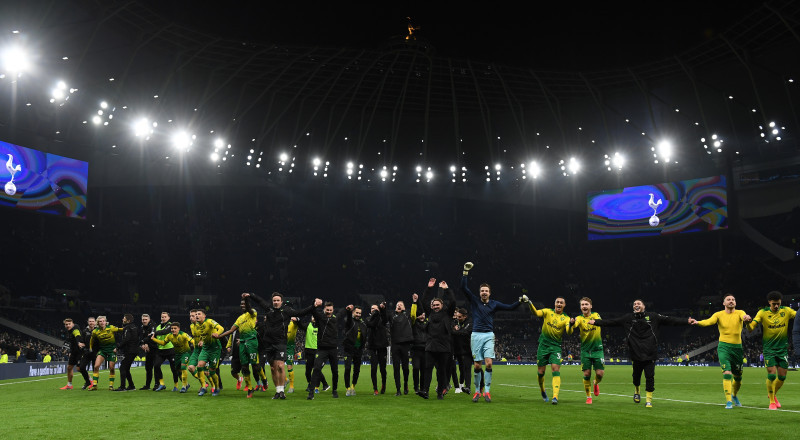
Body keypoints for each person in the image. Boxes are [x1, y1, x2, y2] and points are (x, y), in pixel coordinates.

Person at [591, 300, 691, 408]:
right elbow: (611, 322)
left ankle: (649, 400)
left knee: (650, 377)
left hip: (650, 354)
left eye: (639, 303)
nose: (636, 305)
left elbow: (671, 320)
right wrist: (596, 322)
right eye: (634, 304)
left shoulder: (653, 317)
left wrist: (687, 321)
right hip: (636, 354)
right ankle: (637, 391)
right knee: (636, 377)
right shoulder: (628, 318)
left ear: (644, 306)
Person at [461, 262, 522, 403]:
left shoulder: (494, 304)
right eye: (482, 290)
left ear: (489, 293)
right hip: (476, 335)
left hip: (488, 335)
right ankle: (477, 391)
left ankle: (487, 391)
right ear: (479, 292)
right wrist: (465, 272)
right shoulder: (474, 301)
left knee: (488, 364)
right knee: (477, 365)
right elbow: (463, 287)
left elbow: (510, 308)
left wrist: (520, 301)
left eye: (486, 291)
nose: (484, 292)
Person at [246, 292, 315, 399]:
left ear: (281, 302)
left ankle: (282, 391)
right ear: (272, 301)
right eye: (274, 300)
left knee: (281, 366)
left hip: (281, 342)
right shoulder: (269, 308)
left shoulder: (286, 311)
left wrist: (313, 306)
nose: (276, 302)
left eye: (278, 300)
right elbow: (259, 301)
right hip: (268, 342)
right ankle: (277, 391)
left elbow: (300, 312)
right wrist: (250, 295)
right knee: (273, 368)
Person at [690, 293, 751, 409]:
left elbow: (744, 316)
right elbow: (708, 321)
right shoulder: (718, 314)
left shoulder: (740, 312)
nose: (731, 301)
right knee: (727, 373)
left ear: (735, 303)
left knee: (738, 377)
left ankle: (734, 395)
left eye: (733, 299)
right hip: (723, 347)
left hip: (737, 348)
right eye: (728, 299)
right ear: (724, 303)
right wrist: (698, 322)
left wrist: (747, 318)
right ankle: (728, 401)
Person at [746, 290, 796, 410]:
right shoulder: (762, 313)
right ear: (769, 302)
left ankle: (772, 393)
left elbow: (797, 316)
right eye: (774, 304)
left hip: (783, 349)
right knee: (772, 375)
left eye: (778, 303)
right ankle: (772, 401)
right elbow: (751, 328)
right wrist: (748, 323)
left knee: (782, 377)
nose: (776, 306)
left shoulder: (786, 311)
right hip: (769, 349)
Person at [213, 294, 261, 398]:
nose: (242, 305)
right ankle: (249, 388)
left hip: (251, 342)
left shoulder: (253, 312)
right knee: (244, 367)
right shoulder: (239, 318)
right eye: (241, 304)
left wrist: (246, 298)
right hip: (241, 345)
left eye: (244, 304)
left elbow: (249, 308)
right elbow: (231, 330)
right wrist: (219, 336)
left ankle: (263, 381)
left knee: (256, 366)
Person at [526, 295, 571, 405]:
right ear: (554, 303)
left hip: (555, 347)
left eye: (561, 302)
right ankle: (542, 390)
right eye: (557, 302)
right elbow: (536, 313)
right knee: (541, 372)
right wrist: (529, 303)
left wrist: (572, 325)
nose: (559, 304)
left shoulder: (566, 318)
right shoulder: (547, 312)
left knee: (555, 369)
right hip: (543, 346)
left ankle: (555, 396)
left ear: (564, 305)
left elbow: (569, 332)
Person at [419, 278, 456, 400]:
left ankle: (440, 392)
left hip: (444, 347)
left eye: (437, 305)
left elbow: (453, 301)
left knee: (441, 371)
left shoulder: (447, 314)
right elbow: (424, 300)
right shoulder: (430, 313)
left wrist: (446, 289)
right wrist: (429, 288)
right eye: (434, 305)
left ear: (442, 305)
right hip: (430, 346)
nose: (435, 306)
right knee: (427, 369)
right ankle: (425, 391)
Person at [571, 297, 605, 404]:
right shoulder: (579, 319)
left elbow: (600, 321)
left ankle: (595, 383)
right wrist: (572, 323)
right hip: (585, 351)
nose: (584, 306)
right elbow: (574, 325)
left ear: (590, 306)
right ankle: (588, 396)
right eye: (582, 305)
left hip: (597, 349)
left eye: (586, 304)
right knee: (586, 374)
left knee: (600, 374)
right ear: (580, 307)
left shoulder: (596, 315)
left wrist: (595, 322)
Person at [307, 299, 339, 399]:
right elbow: (313, 310)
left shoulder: (335, 319)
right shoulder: (320, 317)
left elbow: (343, 313)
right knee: (316, 368)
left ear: (333, 310)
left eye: (330, 310)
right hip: (322, 349)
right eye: (327, 310)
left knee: (335, 371)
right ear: (324, 309)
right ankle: (311, 392)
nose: (329, 312)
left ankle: (334, 390)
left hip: (333, 349)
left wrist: (348, 310)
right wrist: (314, 303)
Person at [154, 322, 195, 393]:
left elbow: (193, 341)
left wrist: (196, 349)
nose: (173, 330)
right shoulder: (169, 336)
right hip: (178, 354)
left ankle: (184, 386)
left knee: (183, 368)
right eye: (172, 328)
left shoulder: (184, 335)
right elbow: (163, 343)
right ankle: (187, 384)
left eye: (175, 328)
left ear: (179, 329)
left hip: (186, 353)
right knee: (178, 371)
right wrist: (153, 339)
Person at [193, 309, 225, 396]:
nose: (196, 316)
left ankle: (217, 387)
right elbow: (202, 335)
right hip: (205, 349)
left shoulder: (210, 321)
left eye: (199, 314)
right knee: (199, 366)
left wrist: (217, 333)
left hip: (215, 349)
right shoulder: (197, 325)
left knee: (212, 371)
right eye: (196, 314)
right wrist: (201, 341)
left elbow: (221, 328)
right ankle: (203, 386)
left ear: (204, 316)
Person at [88, 316, 123, 390]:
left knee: (111, 368)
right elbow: (92, 340)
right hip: (102, 350)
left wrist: (128, 328)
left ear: (105, 321)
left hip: (111, 350)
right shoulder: (95, 331)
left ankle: (111, 385)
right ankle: (94, 385)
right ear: (98, 323)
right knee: (96, 366)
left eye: (103, 321)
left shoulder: (111, 327)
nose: (102, 322)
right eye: (100, 321)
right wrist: (90, 348)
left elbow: (121, 330)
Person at [389, 299, 414, 396]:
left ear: (404, 307)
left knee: (405, 368)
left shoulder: (408, 315)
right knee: (396, 368)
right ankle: (398, 389)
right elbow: (384, 317)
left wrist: (415, 302)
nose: (399, 306)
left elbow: (414, 311)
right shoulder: (392, 316)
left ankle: (405, 384)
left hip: (405, 344)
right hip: (395, 344)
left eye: (401, 305)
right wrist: (383, 309)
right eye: (397, 305)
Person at [151, 312, 179, 392]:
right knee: (156, 365)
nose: (163, 318)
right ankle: (162, 384)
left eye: (165, 317)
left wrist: (154, 333)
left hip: (170, 349)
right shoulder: (158, 326)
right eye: (162, 317)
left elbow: (165, 332)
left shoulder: (171, 325)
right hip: (161, 350)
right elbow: (154, 336)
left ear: (168, 318)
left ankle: (176, 386)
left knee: (173, 369)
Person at [343, 305, 366, 396]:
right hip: (348, 349)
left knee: (357, 370)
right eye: (356, 312)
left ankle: (353, 387)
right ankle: (347, 388)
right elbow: (348, 319)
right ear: (353, 313)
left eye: (360, 313)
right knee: (347, 368)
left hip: (358, 350)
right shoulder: (350, 322)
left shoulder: (363, 324)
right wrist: (348, 311)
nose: (358, 314)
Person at [366, 302, 389, 395]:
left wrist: (383, 309)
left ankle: (383, 385)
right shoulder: (368, 319)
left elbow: (385, 319)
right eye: (372, 309)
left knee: (383, 369)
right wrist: (375, 315)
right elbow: (371, 324)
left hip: (382, 347)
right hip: (372, 347)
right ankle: (375, 388)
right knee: (373, 368)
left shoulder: (382, 319)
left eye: (376, 309)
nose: (374, 310)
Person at [301, 315, 328, 393]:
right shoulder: (308, 325)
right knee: (308, 371)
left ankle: (317, 386)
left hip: (317, 350)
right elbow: (300, 325)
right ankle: (313, 384)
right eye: (312, 317)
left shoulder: (322, 327)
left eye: (315, 317)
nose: (314, 318)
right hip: (308, 351)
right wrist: (297, 319)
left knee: (316, 370)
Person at [114, 313, 140, 391]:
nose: (123, 319)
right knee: (126, 368)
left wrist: (118, 347)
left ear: (128, 320)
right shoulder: (135, 327)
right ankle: (131, 386)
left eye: (124, 318)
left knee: (122, 367)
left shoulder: (127, 328)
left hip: (130, 350)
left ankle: (122, 387)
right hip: (134, 350)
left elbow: (126, 339)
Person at [60, 318, 87, 390]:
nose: (68, 325)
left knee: (79, 368)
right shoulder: (68, 331)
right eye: (66, 324)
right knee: (69, 367)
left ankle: (89, 381)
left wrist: (79, 342)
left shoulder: (75, 328)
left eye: (69, 324)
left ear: (72, 323)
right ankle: (69, 385)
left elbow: (77, 335)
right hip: (73, 352)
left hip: (80, 351)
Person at [451, 307, 473, 394]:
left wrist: (454, 331)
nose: (457, 318)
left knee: (466, 368)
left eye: (459, 317)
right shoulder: (455, 322)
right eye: (456, 316)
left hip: (467, 349)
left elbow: (464, 332)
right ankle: (458, 386)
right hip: (454, 348)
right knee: (452, 368)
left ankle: (464, 386)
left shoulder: (469, 323)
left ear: (465, 316)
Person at [409, 293, 427, 395]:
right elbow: (412, 314)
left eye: (424, 314)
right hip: (415, 349)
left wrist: (419, 301)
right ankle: (416, 387)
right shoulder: (414, 323)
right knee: (416, 368)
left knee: (424, 370)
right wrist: (414, 302)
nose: (423, 316)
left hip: (425, 349)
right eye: (421, 314)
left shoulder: (427, 323)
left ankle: (422, 387)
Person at [138, 314, 157, 390]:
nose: (144, 321)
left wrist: (144, 342)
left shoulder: (153, 326)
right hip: (148, 350)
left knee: (156, 367)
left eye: (146, 319)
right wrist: (143, 344)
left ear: (149, 319)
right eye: (143, 319)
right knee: (148, 368)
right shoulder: (142, 327)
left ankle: (157, 384)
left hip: (155, 349)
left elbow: (151, 336)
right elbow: (140, 337)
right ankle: (147, 385)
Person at [78, 317, 98, 389]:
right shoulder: (84, 331)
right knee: (81, 367)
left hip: (96, 352)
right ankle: (88, 381)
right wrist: (80, 344)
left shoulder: (98, 330)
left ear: (95, 322)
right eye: (90, 321)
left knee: (95, 368)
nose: (91, 323)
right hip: (87, 352)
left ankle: (95, 384)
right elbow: (82, 341)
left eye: (93, 321)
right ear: (88, 322)